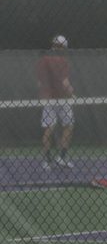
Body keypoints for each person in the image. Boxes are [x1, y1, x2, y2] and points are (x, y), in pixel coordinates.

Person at [36, 34, 75, 169]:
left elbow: (39, 82)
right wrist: (71, 92)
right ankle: (61, 157)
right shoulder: (63, 61)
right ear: (63, 47)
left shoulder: (43, 59)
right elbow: (64, 82)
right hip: (63, 98)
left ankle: (47, 160)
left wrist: (44, 93)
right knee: (68, 125)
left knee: (49, 128)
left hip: (48, 99)